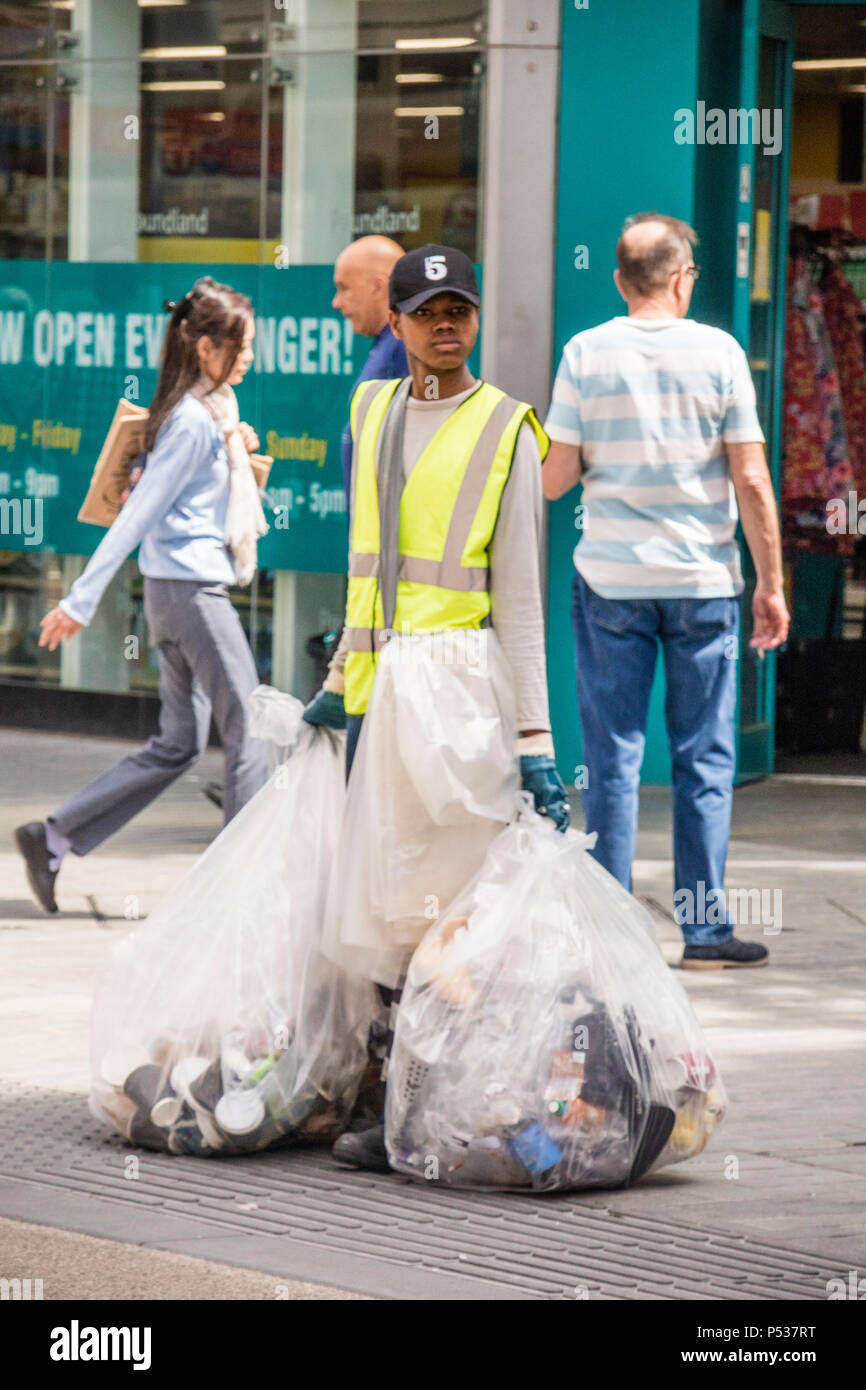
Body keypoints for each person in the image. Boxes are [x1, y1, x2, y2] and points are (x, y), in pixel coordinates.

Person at [304, 243, 570, 1170]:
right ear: (400, 321)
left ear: (475, 316)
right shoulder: (372, 408)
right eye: (428, 310)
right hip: (388, 702)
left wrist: (536, 740)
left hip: (462, 702)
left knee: (454, 922)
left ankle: (461, 1104)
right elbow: (365, 569)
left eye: (460, 307)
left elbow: (524, 603)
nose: (446, 323)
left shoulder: (508, 429)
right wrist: (339, 680)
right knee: (390, 920)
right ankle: (402, 1107)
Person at [542, 212, 790, 971]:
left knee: (611, 759)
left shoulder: (585, 353)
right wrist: (771, 585)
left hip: (611, 580)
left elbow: (554, 478)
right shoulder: (719, 353)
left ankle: (613, 936)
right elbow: (750, 477)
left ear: (621, 281)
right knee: (704, 757)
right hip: (701, 582)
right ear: (685, 278)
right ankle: (705, 931)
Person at [14, 276, 271, 914]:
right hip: (191, 594)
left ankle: (54, 834)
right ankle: (238, 888)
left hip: (171, 593)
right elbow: (136, 516)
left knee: (180, 744)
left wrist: (237, 450)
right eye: (239, 348)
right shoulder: (191, 422)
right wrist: (79, 600)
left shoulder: (211, 412)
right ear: (206, 347)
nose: (248, 359)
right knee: (251, 728)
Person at [332, 235, 409, 502]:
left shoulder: (406, 345)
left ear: (379, 287)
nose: (336, 302)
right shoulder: (388, 344)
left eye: (344, 288)